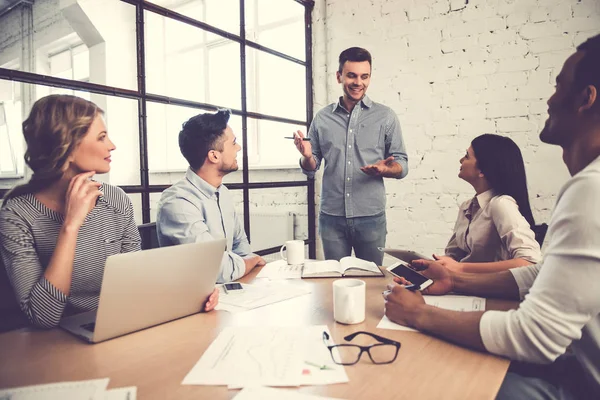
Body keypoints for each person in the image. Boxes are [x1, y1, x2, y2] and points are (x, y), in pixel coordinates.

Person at [384, 34, 600, 399]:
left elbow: (536, 337)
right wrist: (455, 281)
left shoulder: (589, 191)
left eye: (558, 85)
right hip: (574, 363)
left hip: (584, 383)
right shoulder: (585, 186)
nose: (549, 99)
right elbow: (538, 273)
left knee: (444, 380)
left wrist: (421, 314)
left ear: (586, 98)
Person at [0, 95, 219, 329]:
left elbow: (136, 281)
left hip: (118, 325)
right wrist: (71, 225)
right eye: (102, 137)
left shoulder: (116, 200)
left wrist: (189, 293)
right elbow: (43, 317)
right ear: (68, 148)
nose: (112, 145)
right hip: (55, 341)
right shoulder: (17, 214)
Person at [293, 47, 408, 265]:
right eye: (352, 75)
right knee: (335, 281)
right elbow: (311, 167)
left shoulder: (386, 117)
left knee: (372, 281)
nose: (358, 82)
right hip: (332, 218)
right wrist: (307, 156)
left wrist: (386, 169)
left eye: (364, 76)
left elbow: (402, 163)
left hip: (370, 218)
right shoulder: (322, 118)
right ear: (339, 76)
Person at [156, 109, 265, 283]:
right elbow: (215, 268)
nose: (239, 148)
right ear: (214, 156)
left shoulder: (223, 192)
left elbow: (241, 247)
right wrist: (251, 262)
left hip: (228, 293)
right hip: (192, 302)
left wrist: (244, 263)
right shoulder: (178, 203)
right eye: (233, 143)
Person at [435, 134, 542, 273]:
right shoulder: (466, 207)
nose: (461, 160)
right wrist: (432, 266)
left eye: (467, 156)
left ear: (482, 170)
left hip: (492, 292)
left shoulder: (501, 204)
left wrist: (461, 268)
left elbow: (530, 262)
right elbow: (453, 258)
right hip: (464, 290)